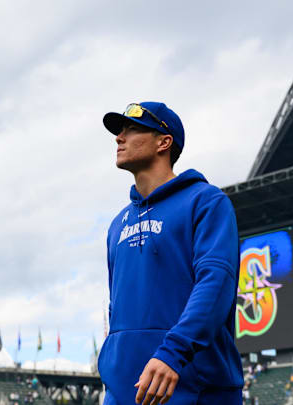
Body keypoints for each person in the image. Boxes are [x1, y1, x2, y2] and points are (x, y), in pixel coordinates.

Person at [97, 102, 243, 404]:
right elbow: (117, 309)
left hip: (194, 388)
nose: (118, 138)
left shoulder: (206, 202)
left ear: (164, 142)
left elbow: (216, 283)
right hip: (125, 391)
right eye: (119, 131)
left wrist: (173, 352)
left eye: (132, 129)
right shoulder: (115, 225)